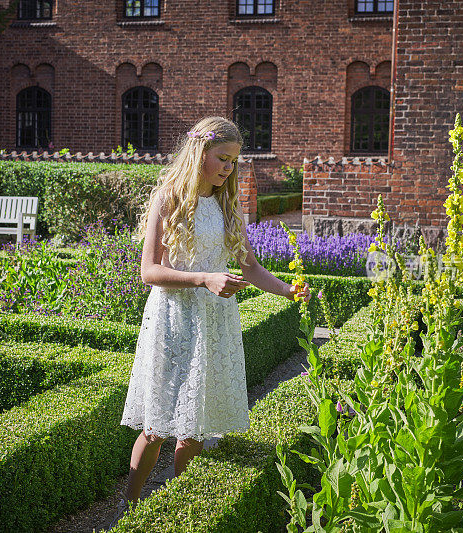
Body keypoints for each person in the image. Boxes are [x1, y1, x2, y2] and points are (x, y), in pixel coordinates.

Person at [113, 116, 310, 524]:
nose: (228, 168)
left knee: (194, 427)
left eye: (234, 161)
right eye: (223, 158)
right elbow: (149, 272)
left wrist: (288, 290)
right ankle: (127, 509)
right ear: (199, 152)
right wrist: (204, 278)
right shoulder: (168, 199)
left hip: (214, 322)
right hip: (172, 318)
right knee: (156, 424)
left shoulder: (228, 204)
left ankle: (181, 512)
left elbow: (250, 268)